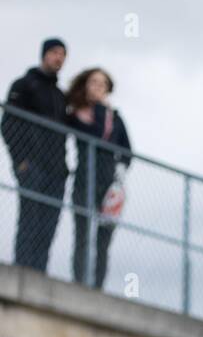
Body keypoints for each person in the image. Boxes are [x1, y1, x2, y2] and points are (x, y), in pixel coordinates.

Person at [1, 38, 69, 271]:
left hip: (56, 172)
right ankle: (23, 271)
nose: (58, 58)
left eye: (62, 54)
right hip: (31, 166)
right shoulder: (24, 85)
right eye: (53, 52)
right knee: (30, 220)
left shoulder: (60, 96)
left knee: (48, 225)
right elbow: (8, 124)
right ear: (43, 54)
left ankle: (39, 275)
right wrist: (21, 161)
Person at [65, 67, 133, 290]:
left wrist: (120, 173)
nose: (98, 87)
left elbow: (127, 150)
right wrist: (100, 109)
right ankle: (79, 284)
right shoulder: (77, 115)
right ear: (86, 85)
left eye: (103, 84)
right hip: (84, 180)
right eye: (94, 82)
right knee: (82, 235)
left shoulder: (116, 118)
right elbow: (94, 133)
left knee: (103, 241)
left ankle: (97, 287)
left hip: (109, 184)